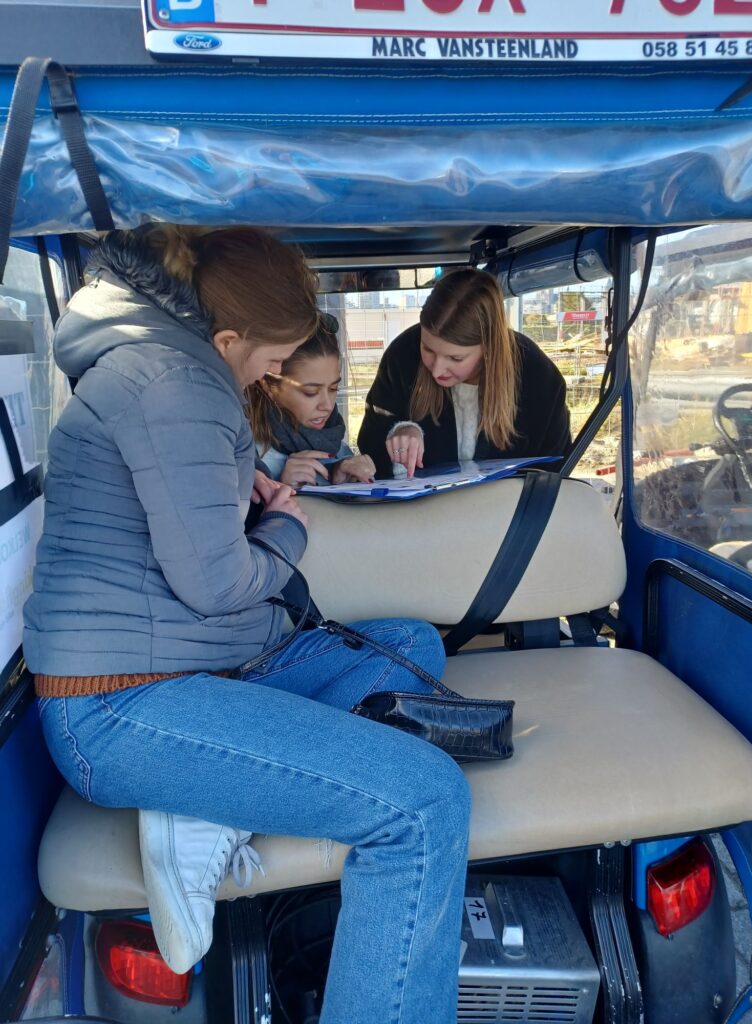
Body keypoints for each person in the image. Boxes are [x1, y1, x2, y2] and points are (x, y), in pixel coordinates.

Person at [23, 225, 470, 1024]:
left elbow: (177, 532)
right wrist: (287, 530)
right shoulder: (176, 383)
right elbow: (219, 585)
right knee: (425, 803)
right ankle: (205, 794)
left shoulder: (159, 368)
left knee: (408, 645)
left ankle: (206, 802)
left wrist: (244, 497)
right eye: (273, 360)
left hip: (181, 672)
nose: (271, 375)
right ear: (227, 339)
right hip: (123, 706)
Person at [357, 267, 571, 478]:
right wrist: (399, 432)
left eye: (455, 358)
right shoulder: (402, 355)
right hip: (425, 502)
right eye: (428, 349)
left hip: (508, 500)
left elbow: (553, 468)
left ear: (489, 348)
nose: (437, 370)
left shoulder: (537, 377)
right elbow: (370, 446)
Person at [247, 319, 376, 488]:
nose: (327, 406)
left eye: (333, 389)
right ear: (268, 386)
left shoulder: (334, 440)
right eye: (310, 392)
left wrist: (339, 475)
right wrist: (280, 488)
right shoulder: (244, 451)